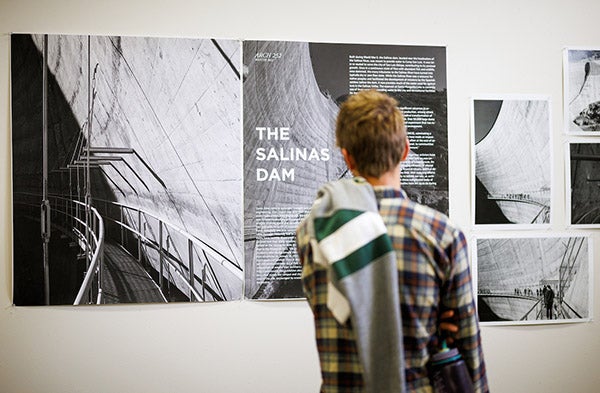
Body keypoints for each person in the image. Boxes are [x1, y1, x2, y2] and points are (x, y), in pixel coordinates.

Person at [296, 90, 488, 392]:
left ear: (347, 156)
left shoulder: (311, 233)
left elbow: (343, 309)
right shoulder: (441, 234)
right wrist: (431, 325)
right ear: (405, 151)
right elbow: (469, 353)